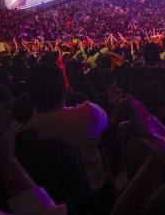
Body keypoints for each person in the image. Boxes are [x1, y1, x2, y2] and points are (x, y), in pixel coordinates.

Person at [25, 64, 110, 194]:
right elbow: (107, 123)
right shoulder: (90, 112)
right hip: (98, 192)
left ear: (29, 97)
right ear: (66, 89)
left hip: (54, 200)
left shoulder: (27, 132)